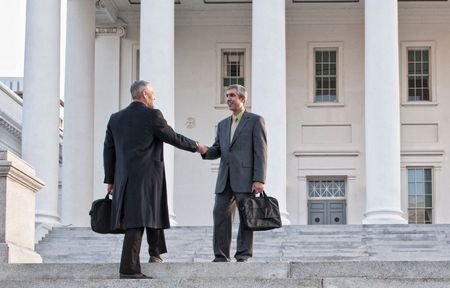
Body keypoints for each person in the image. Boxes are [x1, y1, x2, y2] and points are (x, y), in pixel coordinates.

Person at [103, 80, 208, 279]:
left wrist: (110, 179)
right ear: (144, 95)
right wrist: (197, 146)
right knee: (137, 220)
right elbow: (173, 137)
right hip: (148, 176)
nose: (154, 99)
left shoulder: (115, 119)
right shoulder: (152, 115)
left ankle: (155, 253)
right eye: (152, 95)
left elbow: (108, 151)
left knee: (153, 211)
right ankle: (129, 269)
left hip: (124, 177)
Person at [201, 84, 267, 262]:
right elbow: (217, 149)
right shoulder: (222, 125)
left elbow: (260, 151)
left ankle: (243, 255)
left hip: (246, 179)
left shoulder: (255, 120)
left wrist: (259, 178)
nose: (228, 99)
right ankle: (221, 256)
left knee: (247, 218)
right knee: (220, 215)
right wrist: (204, 150)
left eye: (232, 96)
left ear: (243, 99)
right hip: (224, 180)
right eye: (227, 96)